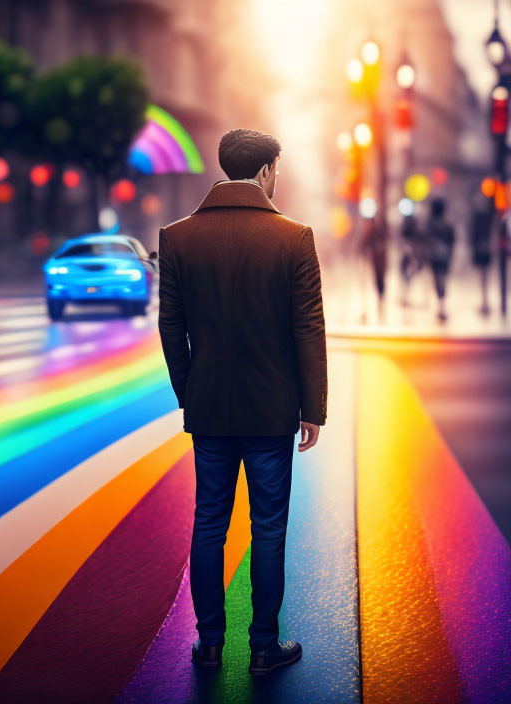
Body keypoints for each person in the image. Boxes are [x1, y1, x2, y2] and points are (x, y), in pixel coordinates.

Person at [158, 128, 327, 676]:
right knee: (268, 529)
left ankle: (209, 644)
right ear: (264, 173)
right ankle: (262, 647)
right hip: (271, 411)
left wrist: (191, 391)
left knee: (209, 522)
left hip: (209, 410)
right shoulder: (295, 238)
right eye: (277, 168)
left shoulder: (177, 237)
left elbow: (171, 328)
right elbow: (308, 330)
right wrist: (313, 408)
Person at [425, 198, 455, 322]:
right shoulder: (446, 225)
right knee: (442, 280)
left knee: (438, 280)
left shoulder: (431, 225)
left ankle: (440, 306)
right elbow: (452, 241)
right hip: (443, 257)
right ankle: (441, 306)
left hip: (436, 257)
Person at [470, 205, 492, 316]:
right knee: (484, 276)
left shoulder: (480, 223)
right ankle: (484, 301)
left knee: (483, 276)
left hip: (482, 251)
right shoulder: (487, 221)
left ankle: (484, 301)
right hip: (485, 252)